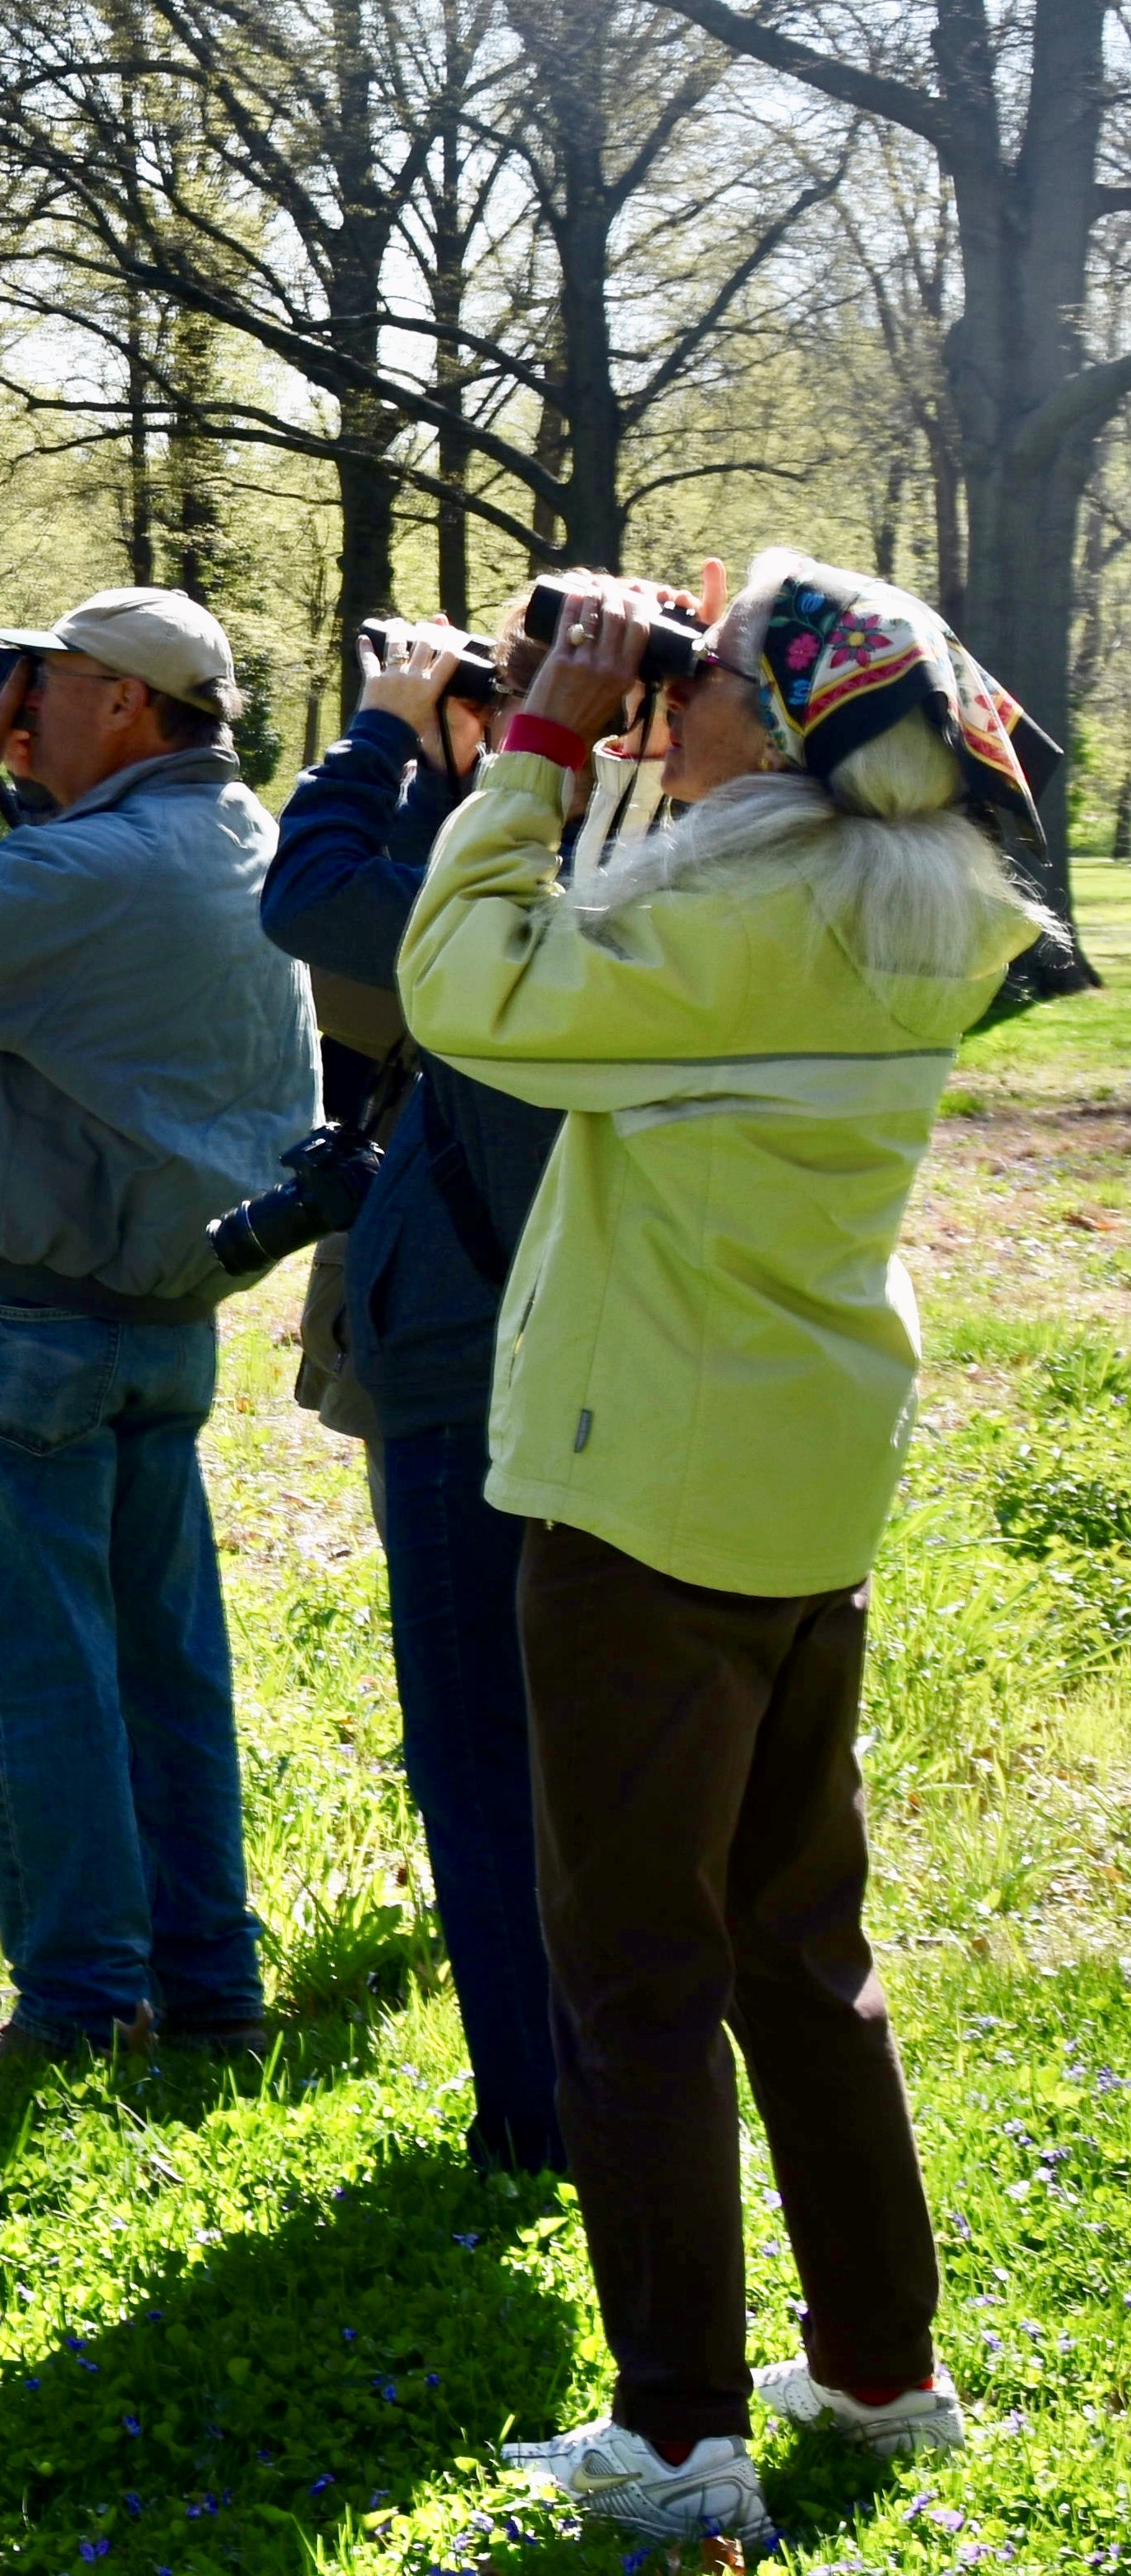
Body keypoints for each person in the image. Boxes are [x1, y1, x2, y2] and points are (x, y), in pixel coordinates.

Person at [398, 553, 1053, 2546]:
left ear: (777, 732)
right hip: (796, 1472)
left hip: (642, 1490)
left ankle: (678, 2433)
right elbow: (627, 916)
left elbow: (466, 989)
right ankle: (874, 2362)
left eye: (692, 684)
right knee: (796, 1941)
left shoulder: (741, 917)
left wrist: (522, 748)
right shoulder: (899, 908)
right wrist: (625, 729)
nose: (652, 706)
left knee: (632, 1975)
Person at [0, 588, 320, 2067]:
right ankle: (209, 1989)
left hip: (42, 1320)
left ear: (127, 702)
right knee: (165, 1672)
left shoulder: (104, 860)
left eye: (43, 680)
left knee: (26, 1669)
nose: (20, 702)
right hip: (166, 1313)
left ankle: (86, 2006)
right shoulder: (239, 833)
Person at [261, 600, 669, 2178]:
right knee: (595, 1751)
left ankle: (543, 2119)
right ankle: (609, 2090)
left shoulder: (500, 922)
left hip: (461, 1371)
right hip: (593, 1360)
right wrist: (474, 752)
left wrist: (382, 728)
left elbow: (309, 896)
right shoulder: (647, 886)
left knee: (484, 1755)